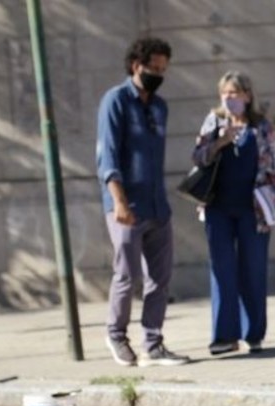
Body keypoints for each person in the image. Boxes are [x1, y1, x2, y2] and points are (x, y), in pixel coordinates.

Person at [96, 37, 188, 367]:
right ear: (137, 66)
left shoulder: (160, 107)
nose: (159, 74)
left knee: (159, 279)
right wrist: (119, 202)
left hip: (157, 207)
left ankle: (154, 343)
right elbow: (107, 156)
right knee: (126, 274)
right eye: (154, 68)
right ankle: (116, 336)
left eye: (164, 69)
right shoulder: (116, 101)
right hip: (126, 207)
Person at [191, 71, 275, 355]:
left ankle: (254, 334)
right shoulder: (213, 122)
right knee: (222, 270)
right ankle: (224, 336)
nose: (229, 98)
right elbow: (198, 157)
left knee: (252, 270)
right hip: (217, 208)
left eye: (234, 93)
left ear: (247, 96)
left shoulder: (260, 126)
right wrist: (219, 142)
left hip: (255, 209)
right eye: (225, 93)